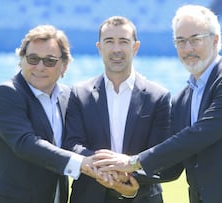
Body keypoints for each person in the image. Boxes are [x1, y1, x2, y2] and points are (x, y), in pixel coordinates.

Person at [93, 5, 222, 203]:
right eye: (180, 41)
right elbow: (172, 165)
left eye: (195, 40)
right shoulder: (182, 99)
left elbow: (198, 136)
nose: (188, 49)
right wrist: (129, 178)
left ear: (215, 40)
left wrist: (132, 162)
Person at [0, 25, 134, 203]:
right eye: (33, 59)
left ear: (64, 66)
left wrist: (109, 166)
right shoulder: (7, 94)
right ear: (21, 60)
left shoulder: (68, 97)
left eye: (50, 61)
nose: (40, 67)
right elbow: (26, 143)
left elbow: (74, 143)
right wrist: (83, 163)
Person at [63, 16, 181, 203]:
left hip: (141, 197)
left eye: (124, 42)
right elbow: (72, 144)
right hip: (88, 196)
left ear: (135, 47)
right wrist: (110, 168)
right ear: (99, 48)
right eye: (109, 41)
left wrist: (127, 172)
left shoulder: (158, 96)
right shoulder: (79, 93)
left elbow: (161, 155)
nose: (116, 49)